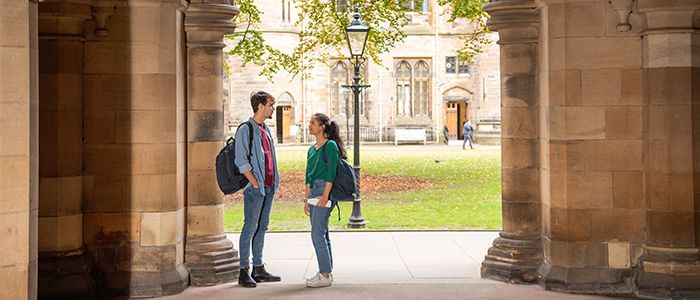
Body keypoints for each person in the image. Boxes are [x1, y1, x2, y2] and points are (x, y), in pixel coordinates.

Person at [234, 91, 282, 288]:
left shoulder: (266, 130)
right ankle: (243, 270)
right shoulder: (246, 129)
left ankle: (258, 268)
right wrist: (254, 183)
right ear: (260, 106)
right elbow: (241, 161)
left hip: (269, 187)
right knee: (250, 228)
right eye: (270, 104)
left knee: (262, 227)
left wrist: (274, 183)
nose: (273, 108)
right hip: (255, 189)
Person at [303, 113, 347, 288]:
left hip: (324, 190)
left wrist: (325, 196)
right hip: (313, 190)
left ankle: (324, 274)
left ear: (322, 126)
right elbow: (308, 174)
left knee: (317, 234)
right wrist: (306, 200)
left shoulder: (330, 146)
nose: (309, 126)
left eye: (312, 123)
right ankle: (326, 271)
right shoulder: (311, 149)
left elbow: (331, 173)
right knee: (322, 232)